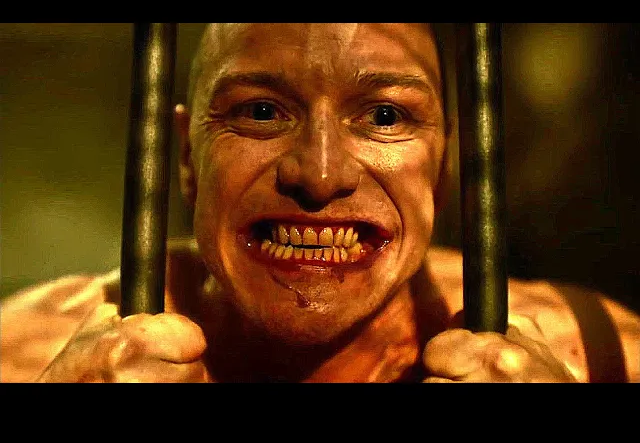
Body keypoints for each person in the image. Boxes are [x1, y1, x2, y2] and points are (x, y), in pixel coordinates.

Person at [1, 23, 638, 383]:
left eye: (384, 116)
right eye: (261, 112)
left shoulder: (600, 353)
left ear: (446, 165)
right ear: (186, 158)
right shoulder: (27, 355)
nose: (321, 174)